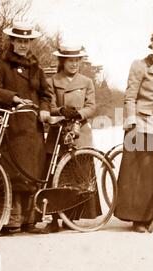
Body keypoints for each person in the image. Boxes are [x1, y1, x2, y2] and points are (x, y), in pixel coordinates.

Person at [0, 22, 52, 235]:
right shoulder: (1, 65)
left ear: (31, 43)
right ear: (12, 42)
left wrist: (44, 109)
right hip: (7, 127)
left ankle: (29, 219)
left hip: (31, 128)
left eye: (27, 41)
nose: (23, 45)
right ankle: (8, 220)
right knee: (7, 172)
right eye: (19, 41)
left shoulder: (37, 68)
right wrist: (14, 98)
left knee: (30, 172)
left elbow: (46, 94)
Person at [114, 29, 153, 233]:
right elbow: (130, 95)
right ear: (151, 44)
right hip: (142, 124)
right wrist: (131, 119)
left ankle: (152, 214)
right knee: (141, 174)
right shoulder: (140, 65)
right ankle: (137, 219)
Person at [44, 43, 99, 232]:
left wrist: (79, 114)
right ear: (62, 61)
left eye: (77, 60)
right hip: (59, 130)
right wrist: (60, 110)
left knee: (79, 175)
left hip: (80, 131)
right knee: (55, 175)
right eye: (70, 61)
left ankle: (73, 217)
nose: (74, 64)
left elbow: (92, 106)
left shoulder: (87, 81)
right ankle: (53, 218)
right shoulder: (52, 81)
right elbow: (48, 105)